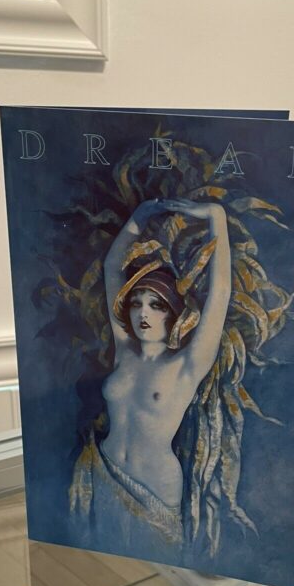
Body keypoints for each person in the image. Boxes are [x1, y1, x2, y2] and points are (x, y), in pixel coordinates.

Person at [69, 198, 230, 558]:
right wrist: (139, 217)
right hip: (104, 470)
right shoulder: (125, 351)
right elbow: (112, 267)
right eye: (136, 303)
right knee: (103, 564)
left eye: (156, 305)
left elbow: (220, 295)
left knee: (158, 568)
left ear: (173, 313)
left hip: (155, 486)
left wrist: (216, 217)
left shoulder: (187, 365)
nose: (143, 313)